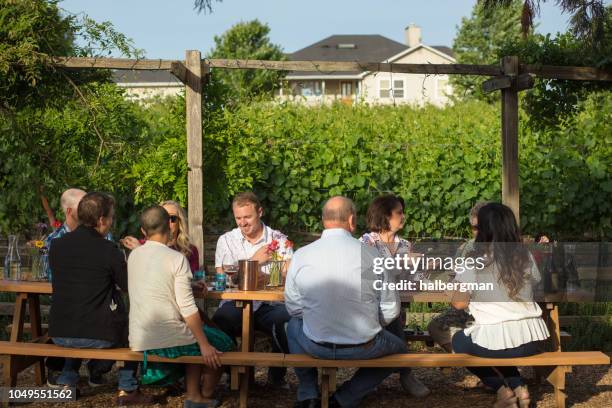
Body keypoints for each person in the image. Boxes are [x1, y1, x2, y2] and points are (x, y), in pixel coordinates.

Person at [285, 196, 409, 408]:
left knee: (293, 325)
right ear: (352, 221)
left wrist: (320, 320)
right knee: (400, 351)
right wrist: (370, 324)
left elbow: (294, 307)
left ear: (323, 220)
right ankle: (345, 398)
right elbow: (391, 309)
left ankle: (308, 394)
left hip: (315, 345)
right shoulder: (373, 256)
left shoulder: (301, 255)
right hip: (364, 345)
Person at [48, 192, 154, 405]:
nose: (112, 222)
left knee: (78, 312)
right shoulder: (108, 249)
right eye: (111, 217)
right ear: (101, 220)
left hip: (59, 333)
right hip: (98, 335)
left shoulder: (57, 246)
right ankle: (127, 388)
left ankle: (68, 379)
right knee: (135, 325)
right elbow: (128, 285)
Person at [128, 206, 233, 408]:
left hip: (140, 337)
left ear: (143, 231)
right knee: (222, 342)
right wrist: (204, 345)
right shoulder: (176, 258)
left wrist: (189, 284)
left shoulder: (134, 256)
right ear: (169, 225)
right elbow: (188, 308)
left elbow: (155, 284)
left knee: (194, 335)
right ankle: (203, 395)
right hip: (168, 339)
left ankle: (194, 395)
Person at [450, 202, 550, 408]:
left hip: (498, 344)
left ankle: (502, 391)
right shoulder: (525, 256)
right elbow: (536, 283)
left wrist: (456, 285)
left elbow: (459, 303)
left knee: (459, 342)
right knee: (497, 340)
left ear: (483, 229)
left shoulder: (475, 259)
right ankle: (520, 388)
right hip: (532, 341)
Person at [212, 192, 293, 387]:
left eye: (247, 217)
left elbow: (288, 276)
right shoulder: (227, 240)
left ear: (260, 212)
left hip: (269, 304)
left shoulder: (279, 240)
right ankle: (235, 375)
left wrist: (255, 276)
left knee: (287, 321)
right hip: (235, 303)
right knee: (220, 322)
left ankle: (276, 376)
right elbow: (224, 277)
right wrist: (254, 262)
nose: (243, 223)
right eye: (238, 218)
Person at [360, 194, 430, 397]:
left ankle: (377, 378)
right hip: (371, 302)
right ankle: (406, 374)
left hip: (396, 301)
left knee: (394, 315)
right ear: (385, 215)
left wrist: (423, 267)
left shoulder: (405, 245)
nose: (403, 216)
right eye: (399, 212)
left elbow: (414, 279)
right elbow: (369, 272)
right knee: (392, 319)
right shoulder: (366, 242)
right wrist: (400, 263)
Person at [427, 201, 489, 353]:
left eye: (482, 226)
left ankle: (469, 357)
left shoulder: (474, 253)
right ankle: (465, 357)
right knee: (436, 325)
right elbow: (454, 275)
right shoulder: (467, 248)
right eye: (475, 227)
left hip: (488, 315)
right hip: (472, 308)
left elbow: (458, 297)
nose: (478, 231)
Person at [121, 200, 200, 272]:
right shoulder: (141, 245)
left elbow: (191, 280)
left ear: (180, 223)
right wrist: (140, 251)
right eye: (163, 218)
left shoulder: (190, 250)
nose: (167, 222)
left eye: (172, 218)